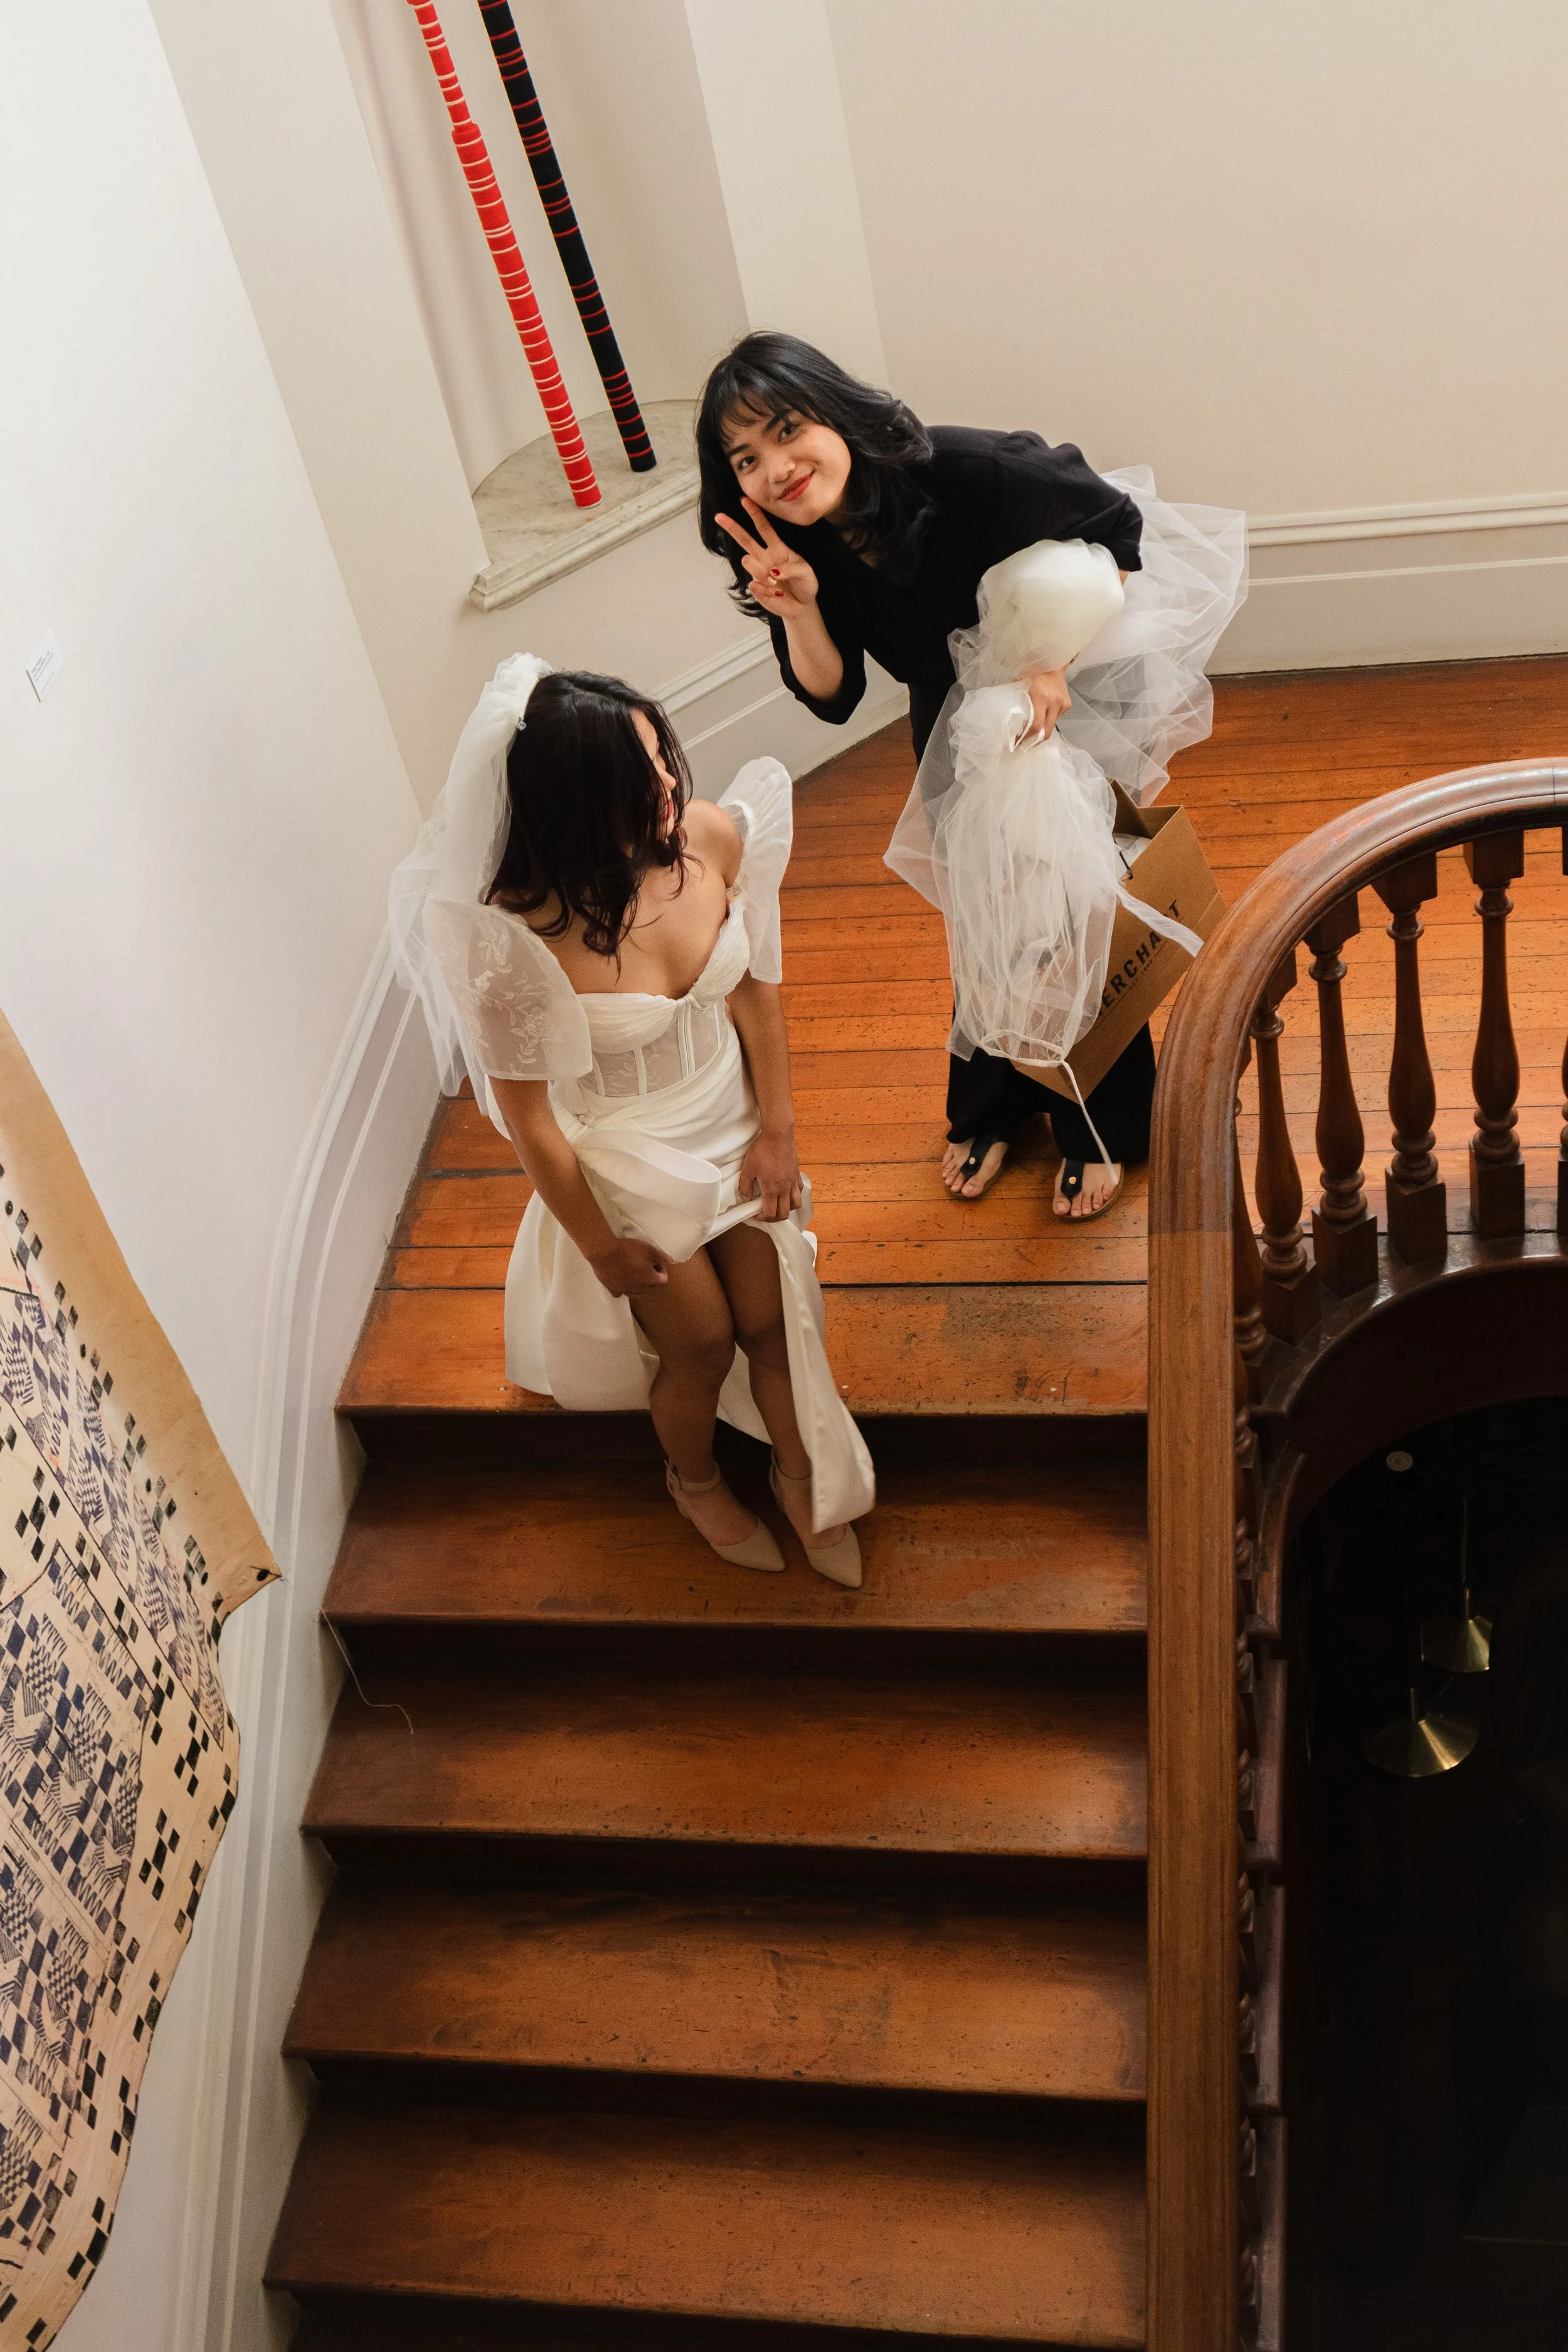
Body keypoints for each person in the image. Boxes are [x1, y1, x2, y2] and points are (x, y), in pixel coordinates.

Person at [696, 332, 1244, 1217]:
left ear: (833, 408)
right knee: (989, 907)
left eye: (788, 428)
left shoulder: (972, 468)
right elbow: (835, 697)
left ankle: (1098, 1123)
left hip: (1069, 685)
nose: (777, 469)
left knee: (1071, 906)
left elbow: (1121, 529)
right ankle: (999, 1100)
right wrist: (797, 606)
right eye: (747, 460)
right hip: (954, 716)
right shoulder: (793, 551)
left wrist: (1054, 659)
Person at [390, 656, 874, 1586]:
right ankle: (693, 1480)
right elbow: (530, 1121)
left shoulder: (711, 839)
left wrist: (780, 1126)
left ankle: (801, 1470)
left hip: (731, 1118)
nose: (664, 790)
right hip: (629, 1156)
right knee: (701, 1341)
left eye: (663, 759)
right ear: (572, 804)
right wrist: (602, 1246)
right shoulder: (516, 936)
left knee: (770, 1321)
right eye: (632, 781)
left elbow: (757, 991)